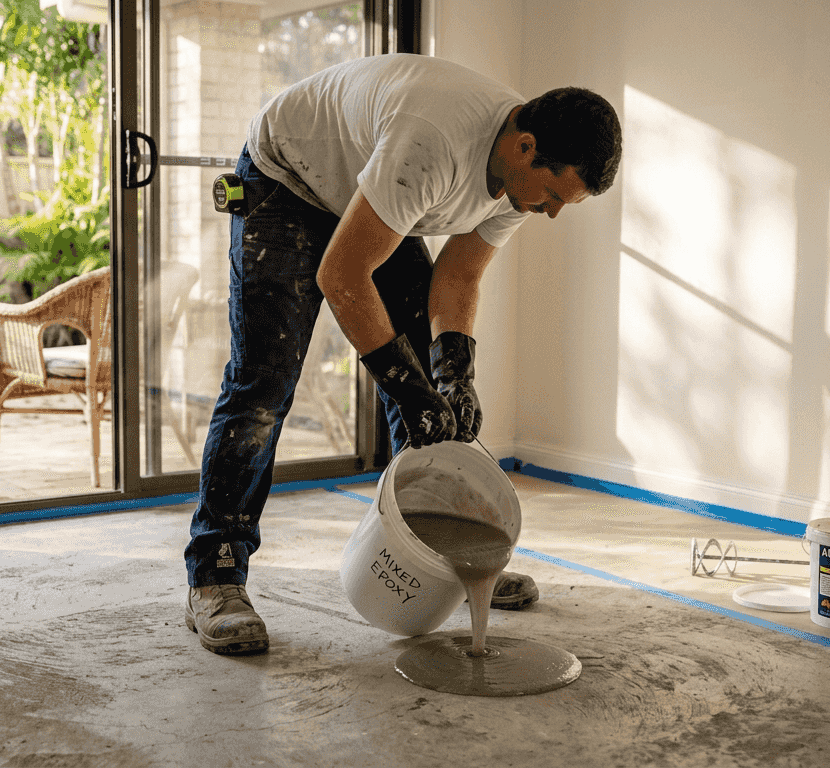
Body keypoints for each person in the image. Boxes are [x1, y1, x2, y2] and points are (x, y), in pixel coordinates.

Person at [184, 53, 622, 654]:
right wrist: (405, 386)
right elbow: (342, 274)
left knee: (435, 396)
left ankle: (452, 560)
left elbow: (460, 276)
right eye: (551, 195)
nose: (548, 212)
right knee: (265, 383)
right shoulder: (436, 142)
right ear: (525, 148)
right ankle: (216, 576)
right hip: (287, 181)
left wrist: (453, 374)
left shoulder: (516, 180)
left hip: (369, 193)